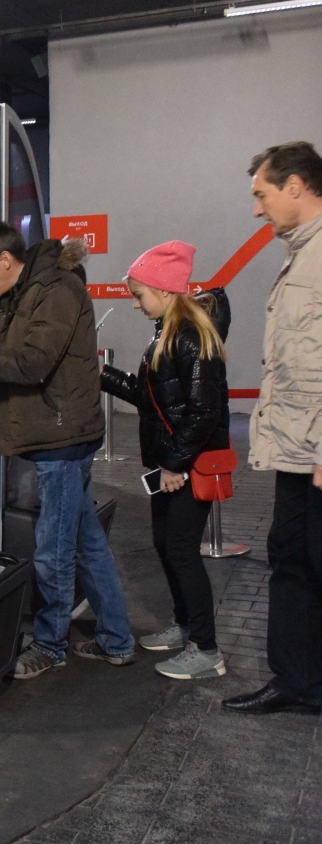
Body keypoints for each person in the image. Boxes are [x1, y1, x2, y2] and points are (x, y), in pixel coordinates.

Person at [0, 223, 136, 679]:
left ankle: (50, 645)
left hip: (60, 442)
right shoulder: (26, 294)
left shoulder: (55, 291)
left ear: (6, 260)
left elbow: (31, 364)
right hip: (59, 436)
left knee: (54, 551)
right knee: (86, 544)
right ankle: (116, 639)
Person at [101, 241, 231, 680]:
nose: (136, 304)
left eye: (139, 295)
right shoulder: (168, 333)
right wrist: (102, 374)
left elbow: (203, 412)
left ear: (163, 288)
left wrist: (175, 464)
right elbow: (151, 396)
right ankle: (186, 625)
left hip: (187, 466)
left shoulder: (191, 336)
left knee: (180, 549)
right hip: (172, 464)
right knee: (166, 544)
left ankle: (206, 649)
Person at [224, 142, 322, 715]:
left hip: (316, 452)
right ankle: (298, 682)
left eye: (262, 195)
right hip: (295, 449)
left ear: (295, 186)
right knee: (291, 558)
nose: (257, 209)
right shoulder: (301, 256)